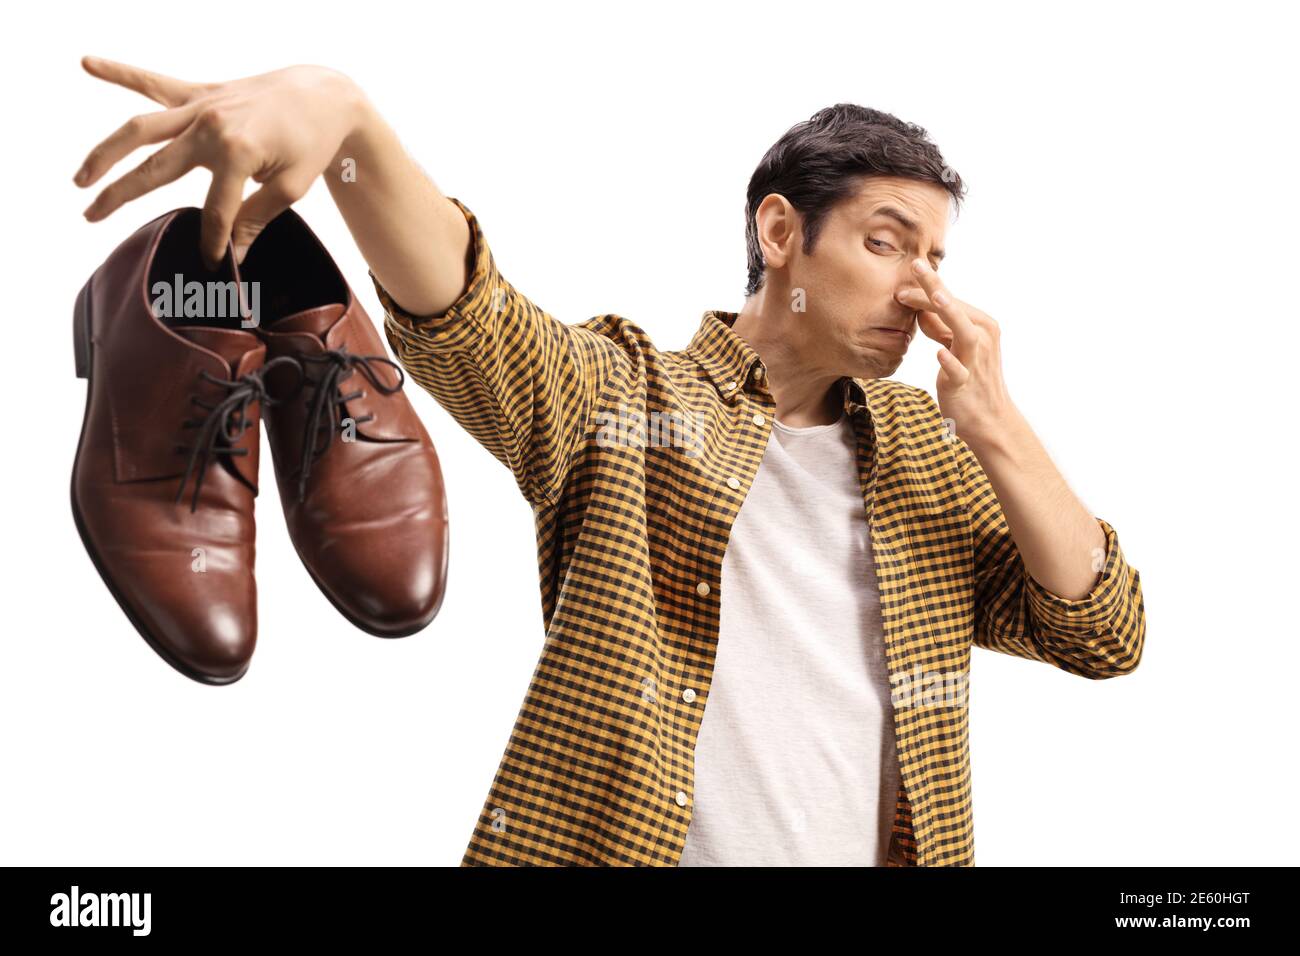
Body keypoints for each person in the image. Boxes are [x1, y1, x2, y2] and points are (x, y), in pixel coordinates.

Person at [75, 58, 1147, 866]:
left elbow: (1103, 631)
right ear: (781, 233)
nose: (922, 287)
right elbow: (469, 316)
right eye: (885, 240)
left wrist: (997, 425)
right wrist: (346, 120)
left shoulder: (925, 444)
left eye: (936, 255)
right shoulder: (631, 394)